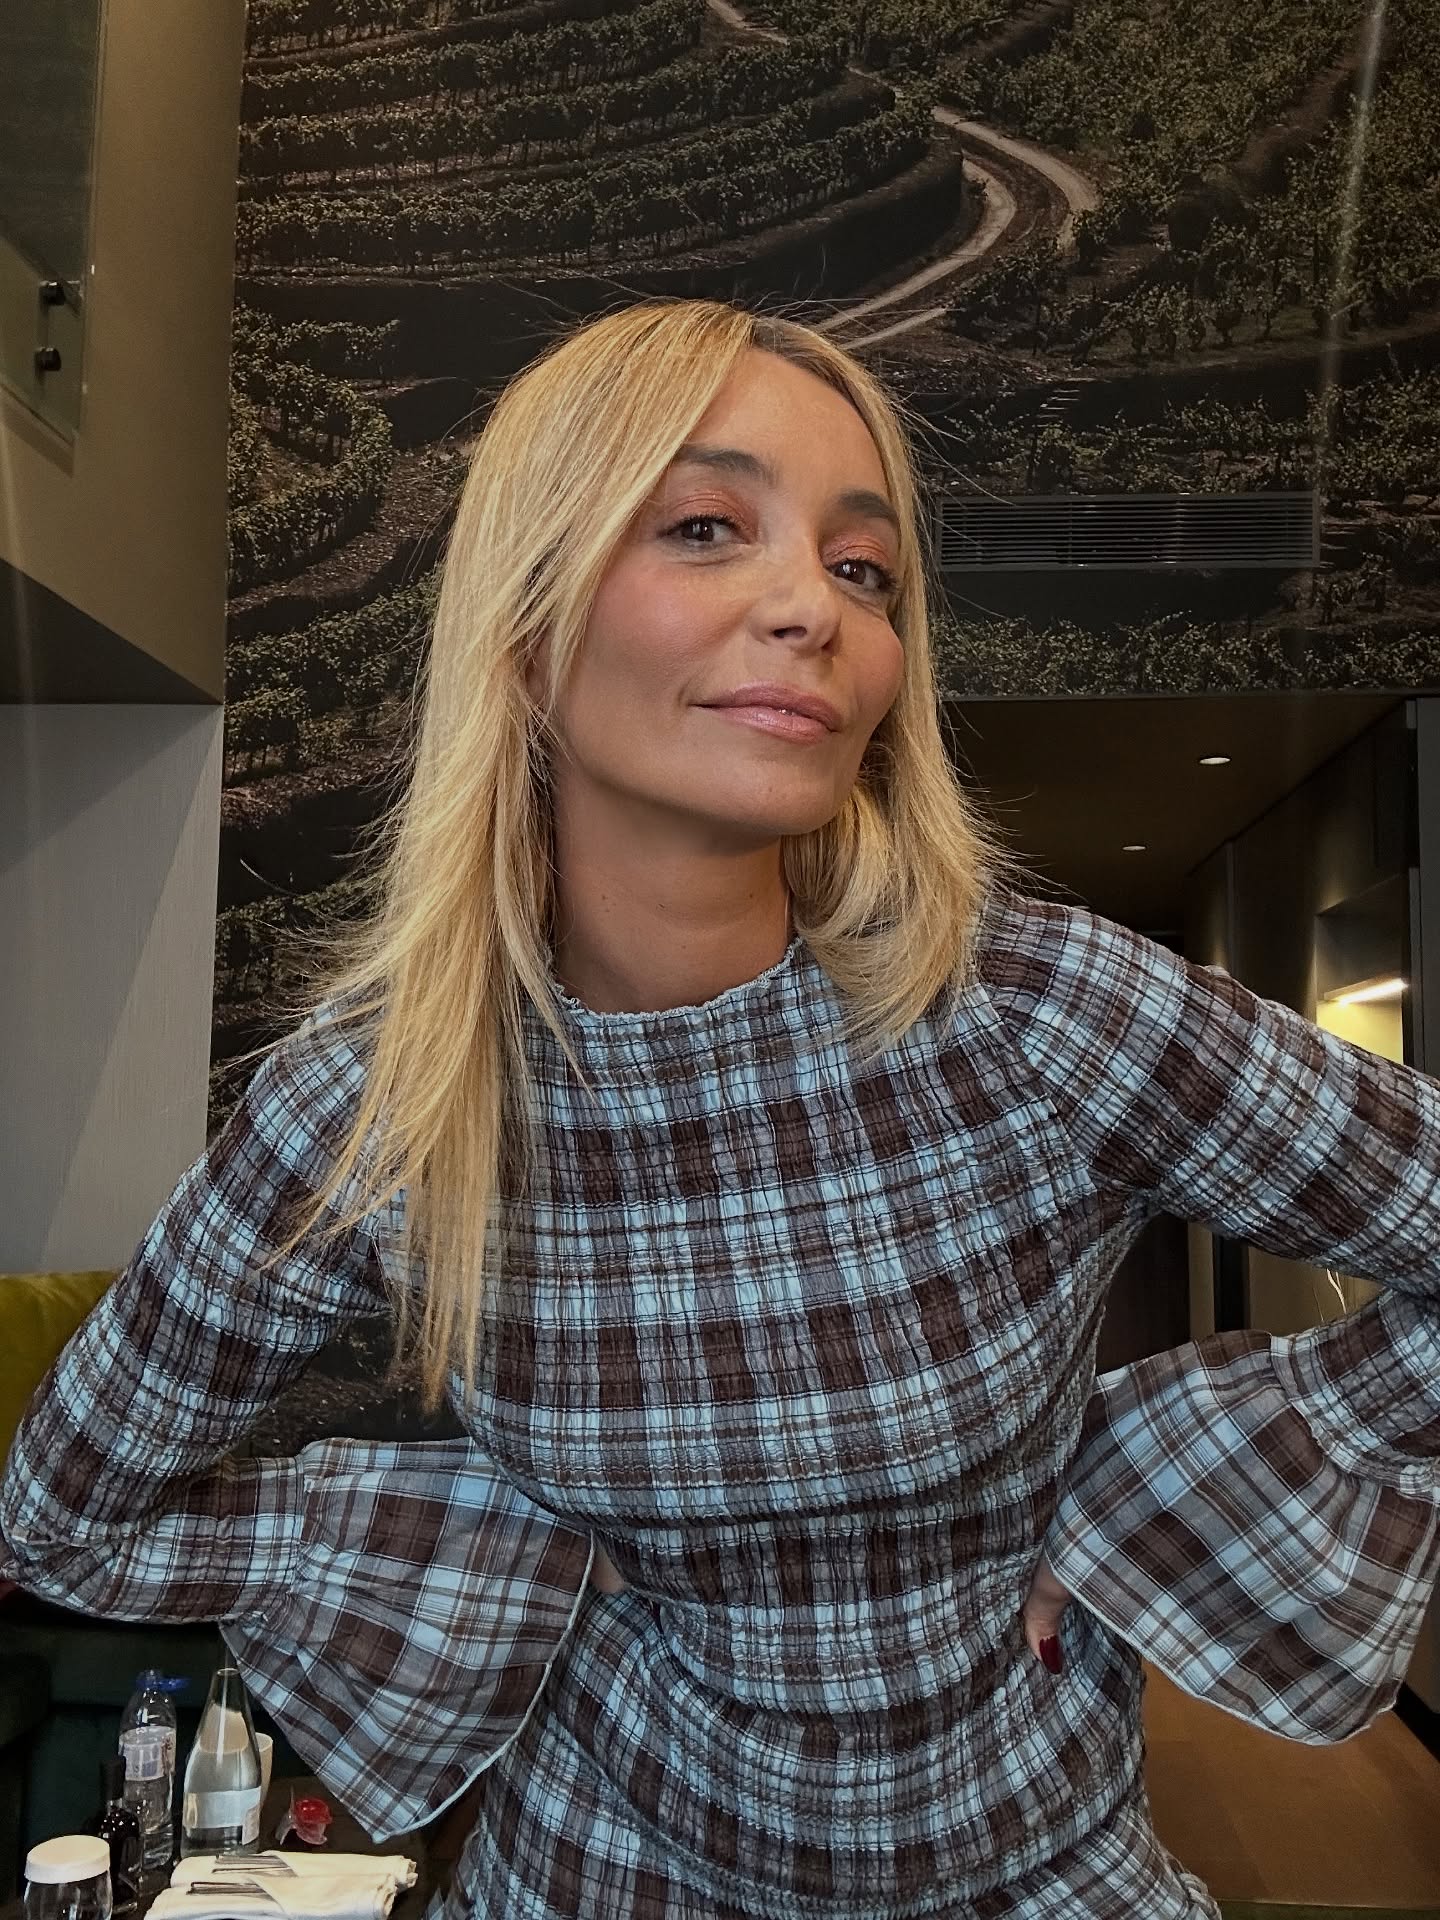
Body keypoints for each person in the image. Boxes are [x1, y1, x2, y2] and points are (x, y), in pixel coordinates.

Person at [4, 297, 1440, 1920]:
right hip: (594, 1875)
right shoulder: (378, 1103)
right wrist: (503, 1557)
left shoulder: (1038, 1011)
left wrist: (1148, 1492)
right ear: (528, 621)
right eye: (705, 527)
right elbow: (67, 1517)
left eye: (864, 568)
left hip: (1038, 1868)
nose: (815, 610)